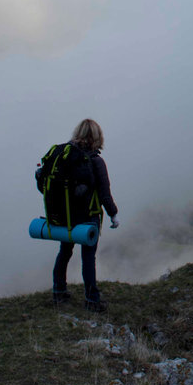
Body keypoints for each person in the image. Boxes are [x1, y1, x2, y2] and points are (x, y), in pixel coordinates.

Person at [52, 118, 119, 312]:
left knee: (64, 252)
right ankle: (91, 299)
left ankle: (59, 292)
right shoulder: (96, 161)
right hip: (88, 217)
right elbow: (105, 194)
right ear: (97, 137)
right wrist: (114, 215)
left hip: (65, 216)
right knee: (88, 257)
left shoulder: (65, 157)